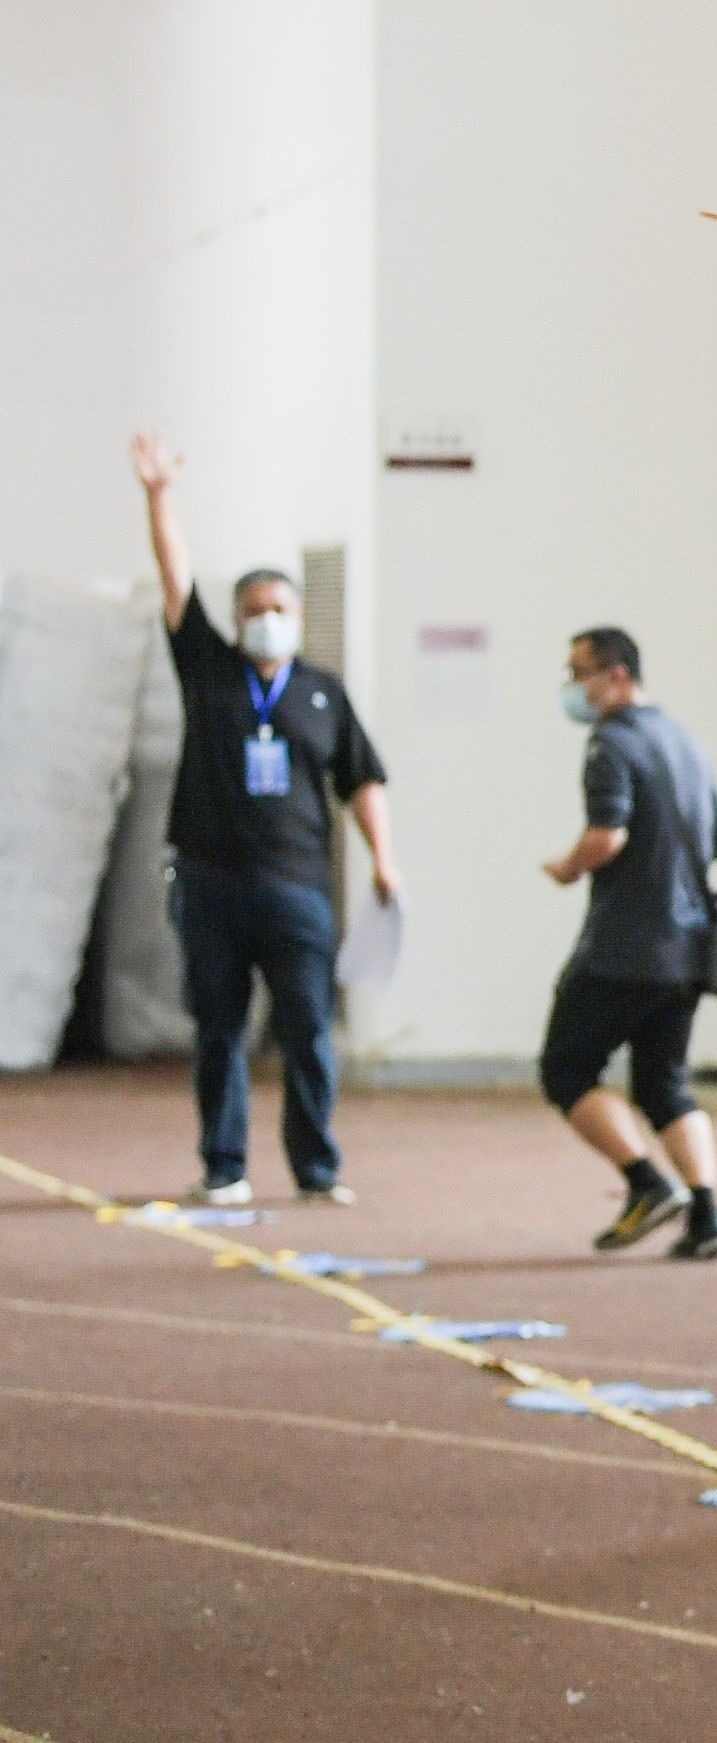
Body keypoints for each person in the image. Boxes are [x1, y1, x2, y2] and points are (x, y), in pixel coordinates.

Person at [130, 432, 400, 1208]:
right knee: (218, 1027)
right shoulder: (208, 669)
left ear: (298, 616)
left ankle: (317, 1169)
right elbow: (175, 579)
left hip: (297, 886)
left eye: (280, 609)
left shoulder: (321, 692)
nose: (268, 620)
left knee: (308, 1028)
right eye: (254, 610)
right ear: (236, 617)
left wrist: (385, 859)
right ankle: (224, 1166)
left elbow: (363, 781)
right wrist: (159, 496)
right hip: (211, 881)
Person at [537, 628, 717, 1259]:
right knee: (664, 1084)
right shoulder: (684, 739)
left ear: (617, 675)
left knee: (566, 1069)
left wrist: (568, 867)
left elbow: (608, 834)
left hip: (624, 947)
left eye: (579, 673)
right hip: (690, 947)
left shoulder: (611, 742)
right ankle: (707, 1215)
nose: (572, 687)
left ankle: (646, 1182)